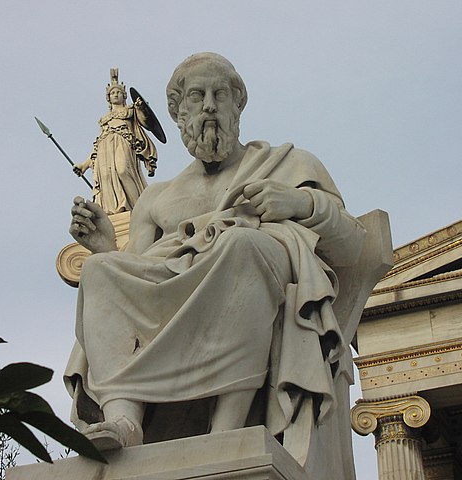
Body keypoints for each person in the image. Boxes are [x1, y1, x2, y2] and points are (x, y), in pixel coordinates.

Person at [65, 53, 366, 452]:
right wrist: (103, 247)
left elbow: (354, 244)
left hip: (245, 272)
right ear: (177, 112)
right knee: (100, 270)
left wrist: (299, 204)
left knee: (241, 245)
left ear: (236, 106)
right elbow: (135, 271)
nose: (208, 105)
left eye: (219, 94)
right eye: (196, 96)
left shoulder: (285, 165)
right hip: (173, 292)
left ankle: (227, 429)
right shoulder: (157, 199)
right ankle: (124, 418)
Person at [73, 69, 158, 215]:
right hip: (105, 146)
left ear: (124, 95)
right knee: (105, 176)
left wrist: (142, 108)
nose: (115, 95)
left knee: (122, 170)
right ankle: (112, 211)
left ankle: (139, 209)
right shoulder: (105, 119)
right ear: (108, 97)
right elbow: (97, 145)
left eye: (118, 92)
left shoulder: (130, 110)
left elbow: (146, 123)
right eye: (112, 93)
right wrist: (84, 165)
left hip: (123, 141)